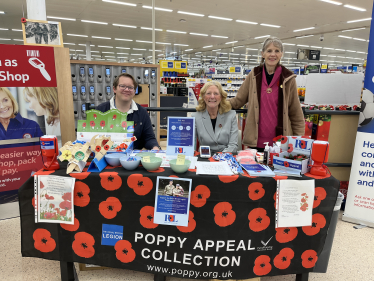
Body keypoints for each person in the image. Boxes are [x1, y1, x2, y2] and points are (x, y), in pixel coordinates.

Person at [229, 36, 305, 151]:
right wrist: (216, 103)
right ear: (263, 54)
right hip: (256, 141)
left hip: (280, 143)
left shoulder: (288, 78)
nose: (273, 54)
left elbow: (296, 113)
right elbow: (238, 101)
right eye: (269, 51)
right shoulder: (254, 75)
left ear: (281, 54)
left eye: (277, 51)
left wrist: (297, 141)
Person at [96, 73, 160, 150]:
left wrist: (155, 147)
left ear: (134, 91)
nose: (126, 90)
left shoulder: (142, 112)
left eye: (130, 87)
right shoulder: (101, 110)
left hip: (132, 159)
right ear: (114, 89)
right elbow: (93, 137)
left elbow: (149, 138)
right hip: (106, 157)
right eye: (122, 86)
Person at [192, 81, 238, 154]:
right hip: (205, 157)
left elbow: (233, 145)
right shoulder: (196, 117)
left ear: (221, 97)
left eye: (216, 93)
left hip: (225, 157)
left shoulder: (231, 115)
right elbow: (190, 143)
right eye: (208, 93)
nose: (212, 96)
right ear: (203, 97)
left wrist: (220, 157)